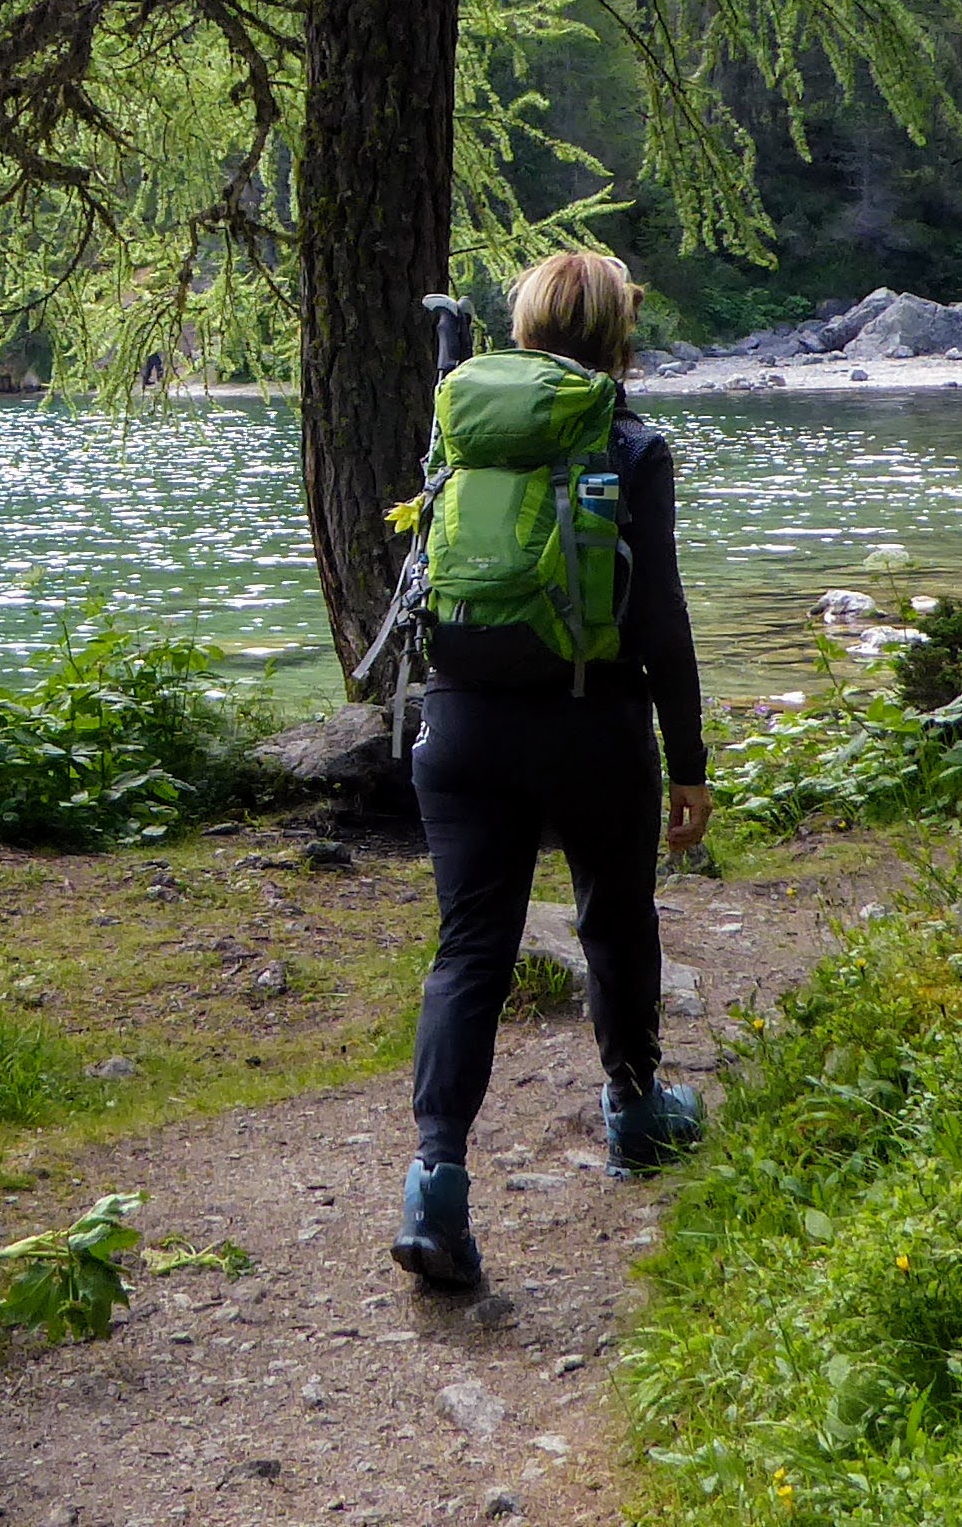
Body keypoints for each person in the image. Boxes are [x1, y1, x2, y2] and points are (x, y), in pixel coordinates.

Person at [391, 250, 713, 1293]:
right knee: (613, 918)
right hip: (592, 722)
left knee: (468, 951)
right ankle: (636, 1114)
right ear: (619, 333)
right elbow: (659, 617)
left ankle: (434, 1183)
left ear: (524, 326)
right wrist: (689, 763)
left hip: (459, 722)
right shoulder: (630, 442)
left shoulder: (460, 424)